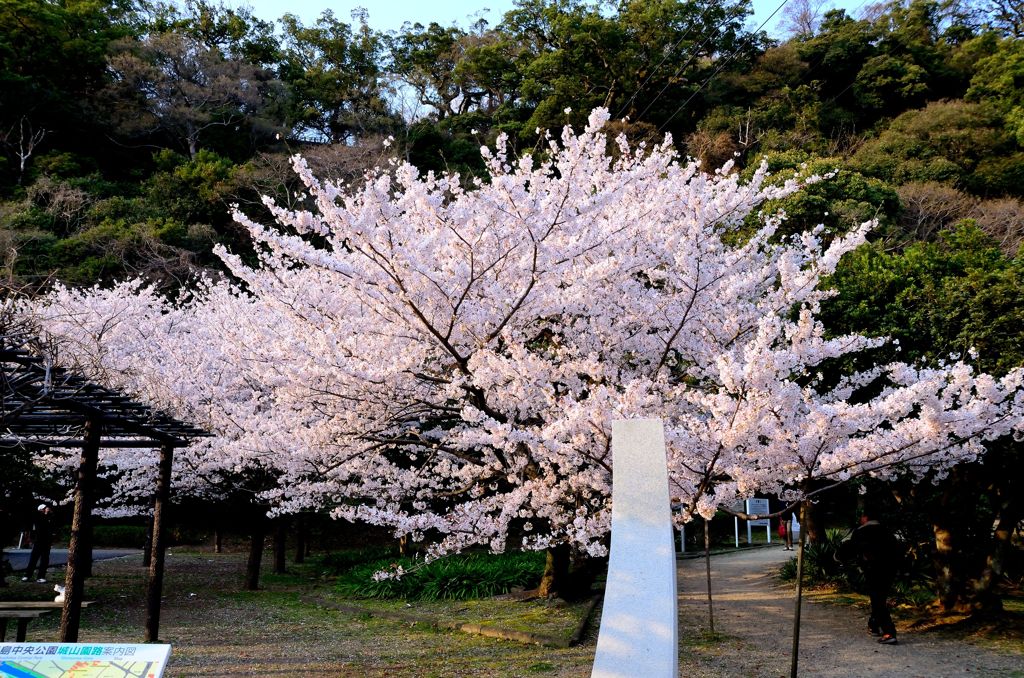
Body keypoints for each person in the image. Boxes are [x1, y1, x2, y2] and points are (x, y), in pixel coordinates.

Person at [839, 511, 900, 645]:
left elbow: (851, 548)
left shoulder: (862, 532)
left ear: (865, 518)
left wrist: (838, 557)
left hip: (874, 569)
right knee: (880, 597)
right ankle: (873, 624)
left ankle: (889, 631)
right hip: (890, 569)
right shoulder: (887, 531)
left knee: (877, 600)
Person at [22, 503, 53, 584]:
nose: (48, 509)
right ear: (42, 510)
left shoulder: (50, 517)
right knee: (33, 559)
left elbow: (51, 527)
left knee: (44, 560)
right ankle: (27, 575)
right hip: (38, 542)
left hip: (47, 542)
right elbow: (40, 527)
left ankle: (41, 577)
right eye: (46, 508)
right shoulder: (38, 517)